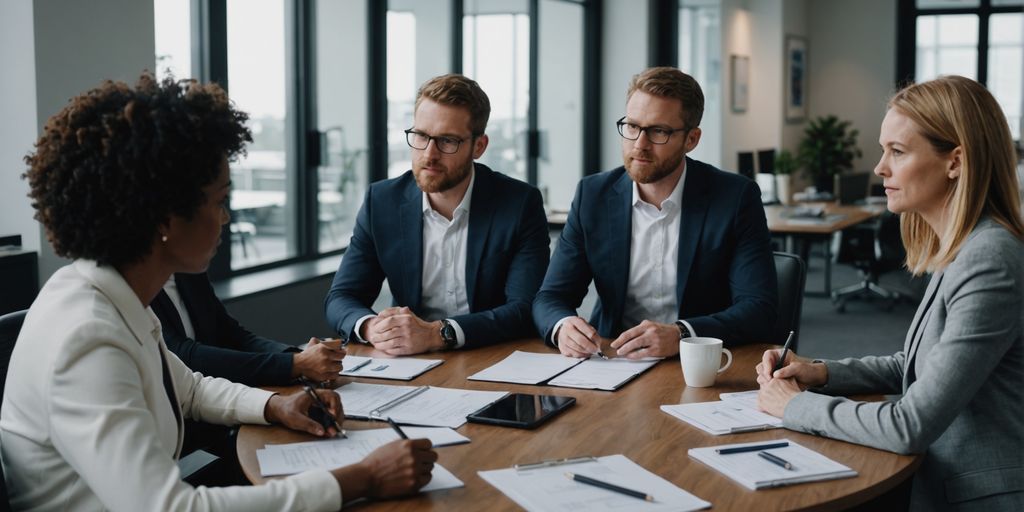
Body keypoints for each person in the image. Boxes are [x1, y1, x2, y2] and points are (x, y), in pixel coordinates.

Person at [0, 74, 436, 511]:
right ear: (166, 219)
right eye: (218, 200)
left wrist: (276, 406)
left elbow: (187, 389)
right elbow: (169, 508)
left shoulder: (108, 292)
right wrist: (361, 478)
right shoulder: (88, 337)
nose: (225, 218)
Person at [756, 75, 1024, 511]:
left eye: (897, 152)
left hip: (977, 497)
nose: (880, 168)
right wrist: (820, 373)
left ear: (955, 161)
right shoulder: (963, 246)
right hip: (939, 480)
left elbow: (909, 424)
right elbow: (916, 365)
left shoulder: (989, 258)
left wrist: (795, 406)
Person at [532, 67, 777, 359]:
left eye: (658, 131)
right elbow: (551, 297)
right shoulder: (592, 195)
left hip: (699, 364)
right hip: (612, 361)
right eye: (632, 126)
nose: (639, 145)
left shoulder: (735, 198)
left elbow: (759, 308)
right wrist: (562, 326)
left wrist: (682, 334)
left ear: (691, 139)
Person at [324, 73, 549, 355]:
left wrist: (438, 334)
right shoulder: (382, 201)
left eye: (447, 141)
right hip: (410, 361)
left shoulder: (518, 203)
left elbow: (525, 308)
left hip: (491, 355)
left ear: (478, 146)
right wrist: (371, 327)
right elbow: (341, 297)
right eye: (420, 136)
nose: (429, 154)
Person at [153, 272, 344, 386]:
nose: (225, 218)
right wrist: (294, 364)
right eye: (218, 206)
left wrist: (298, 356)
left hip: (223, 404)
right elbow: (184, 357)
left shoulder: (188, 272)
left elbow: (234, 335)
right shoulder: (141, 285)